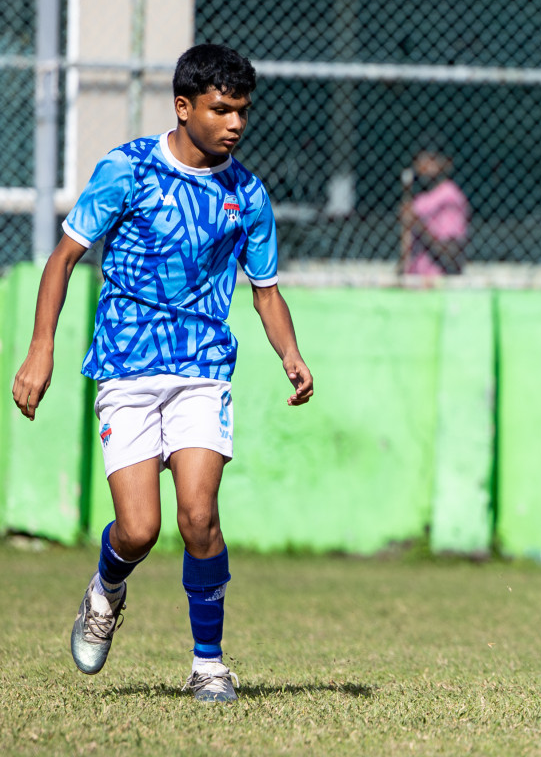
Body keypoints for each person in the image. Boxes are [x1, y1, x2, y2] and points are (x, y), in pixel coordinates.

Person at [8, 43, 314, 703]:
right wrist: (41, 348)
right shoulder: (128, 171)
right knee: (141, 528)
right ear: (184, 107)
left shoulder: (248, 195)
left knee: (199, 516)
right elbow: (63, 259)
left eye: (243, 112)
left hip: (202, 368)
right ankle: (106, 589)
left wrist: (289, 353)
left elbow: (264, 289)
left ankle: (209, 664)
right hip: (126, 367)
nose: (235, 124)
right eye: (221, 110)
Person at [399, 148, 469, 277]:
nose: (424, 166)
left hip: (440, 286)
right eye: (420, 160)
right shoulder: (418, 200)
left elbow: (451, 257)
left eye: (431, 160)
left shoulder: (450, 196)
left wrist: (417, 224)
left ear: (445, 164)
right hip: (416, 284)